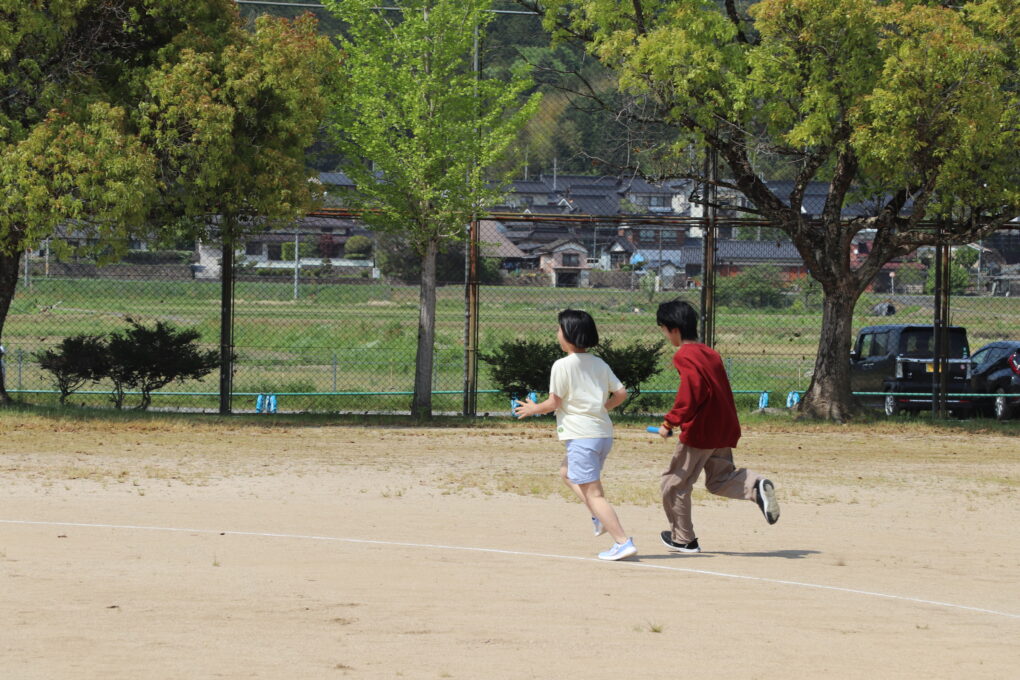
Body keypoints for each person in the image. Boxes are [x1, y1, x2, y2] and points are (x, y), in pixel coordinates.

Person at [653, 299, 780, 553]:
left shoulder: (684, 355)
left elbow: (693, 391)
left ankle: (683, 539)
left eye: (664, 330)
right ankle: (755, 485)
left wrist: (670, 421)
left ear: (674, 329)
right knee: (719, 479)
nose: (666, 335)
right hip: (722, 428)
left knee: (673, 484)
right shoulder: (710, 353)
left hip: (701, 432)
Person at [514, 309, 636, 561]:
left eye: (559, 329)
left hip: (583, 436)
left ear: (569, 334)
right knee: (567, 472)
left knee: (594, 493)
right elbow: (621, 394)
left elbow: (554, 403)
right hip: (602, 434)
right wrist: (602, 408)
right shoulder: (599, 363)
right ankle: (598, 516)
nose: (557, 333)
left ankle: (622, 541)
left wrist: (533, 409)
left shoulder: (562, 365)